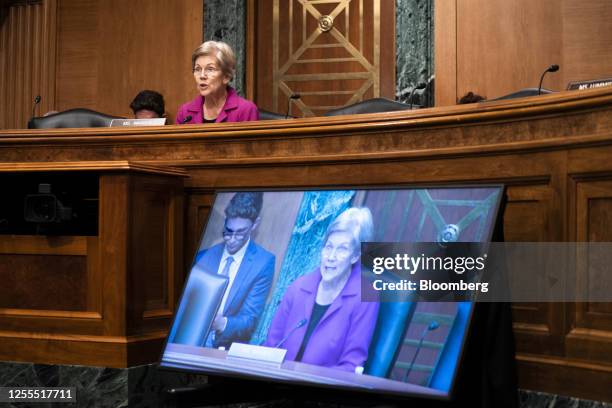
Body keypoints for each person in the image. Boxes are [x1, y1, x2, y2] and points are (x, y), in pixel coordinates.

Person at [264, 207, 379, 372]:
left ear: (355, 256)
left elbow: (351, 365)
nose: (331, 257)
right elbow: (271, 346)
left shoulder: (365, 298)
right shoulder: (298, 287)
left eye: (342, 249)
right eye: (328, 247)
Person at [194, 192, 274, 348]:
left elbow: (249, 320)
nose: (232, 239)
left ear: (255, 224)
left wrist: (221, 323)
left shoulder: (263, 263)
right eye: (228, 231)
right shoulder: (202, 258)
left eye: (240, 233)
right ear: (225, 221)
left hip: (223, 347)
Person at [176, 40, 259, 124]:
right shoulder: (185, 113)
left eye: (210, 69)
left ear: (226, 76)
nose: (202, 76)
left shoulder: (246, 110)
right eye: (198, 69)